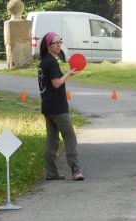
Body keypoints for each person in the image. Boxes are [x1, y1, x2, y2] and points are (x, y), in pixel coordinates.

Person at [38, 32, 84, 181]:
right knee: (70, 136)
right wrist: (68, 74)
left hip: (47, 107)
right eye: (55, 43)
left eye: (60, 42)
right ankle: (76, 170)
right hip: (58, 107)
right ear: (48, 46)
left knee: (52, 139)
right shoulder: (51, 62)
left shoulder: (43, 61)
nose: (59, 45)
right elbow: (56, 83)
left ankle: (51, 173)